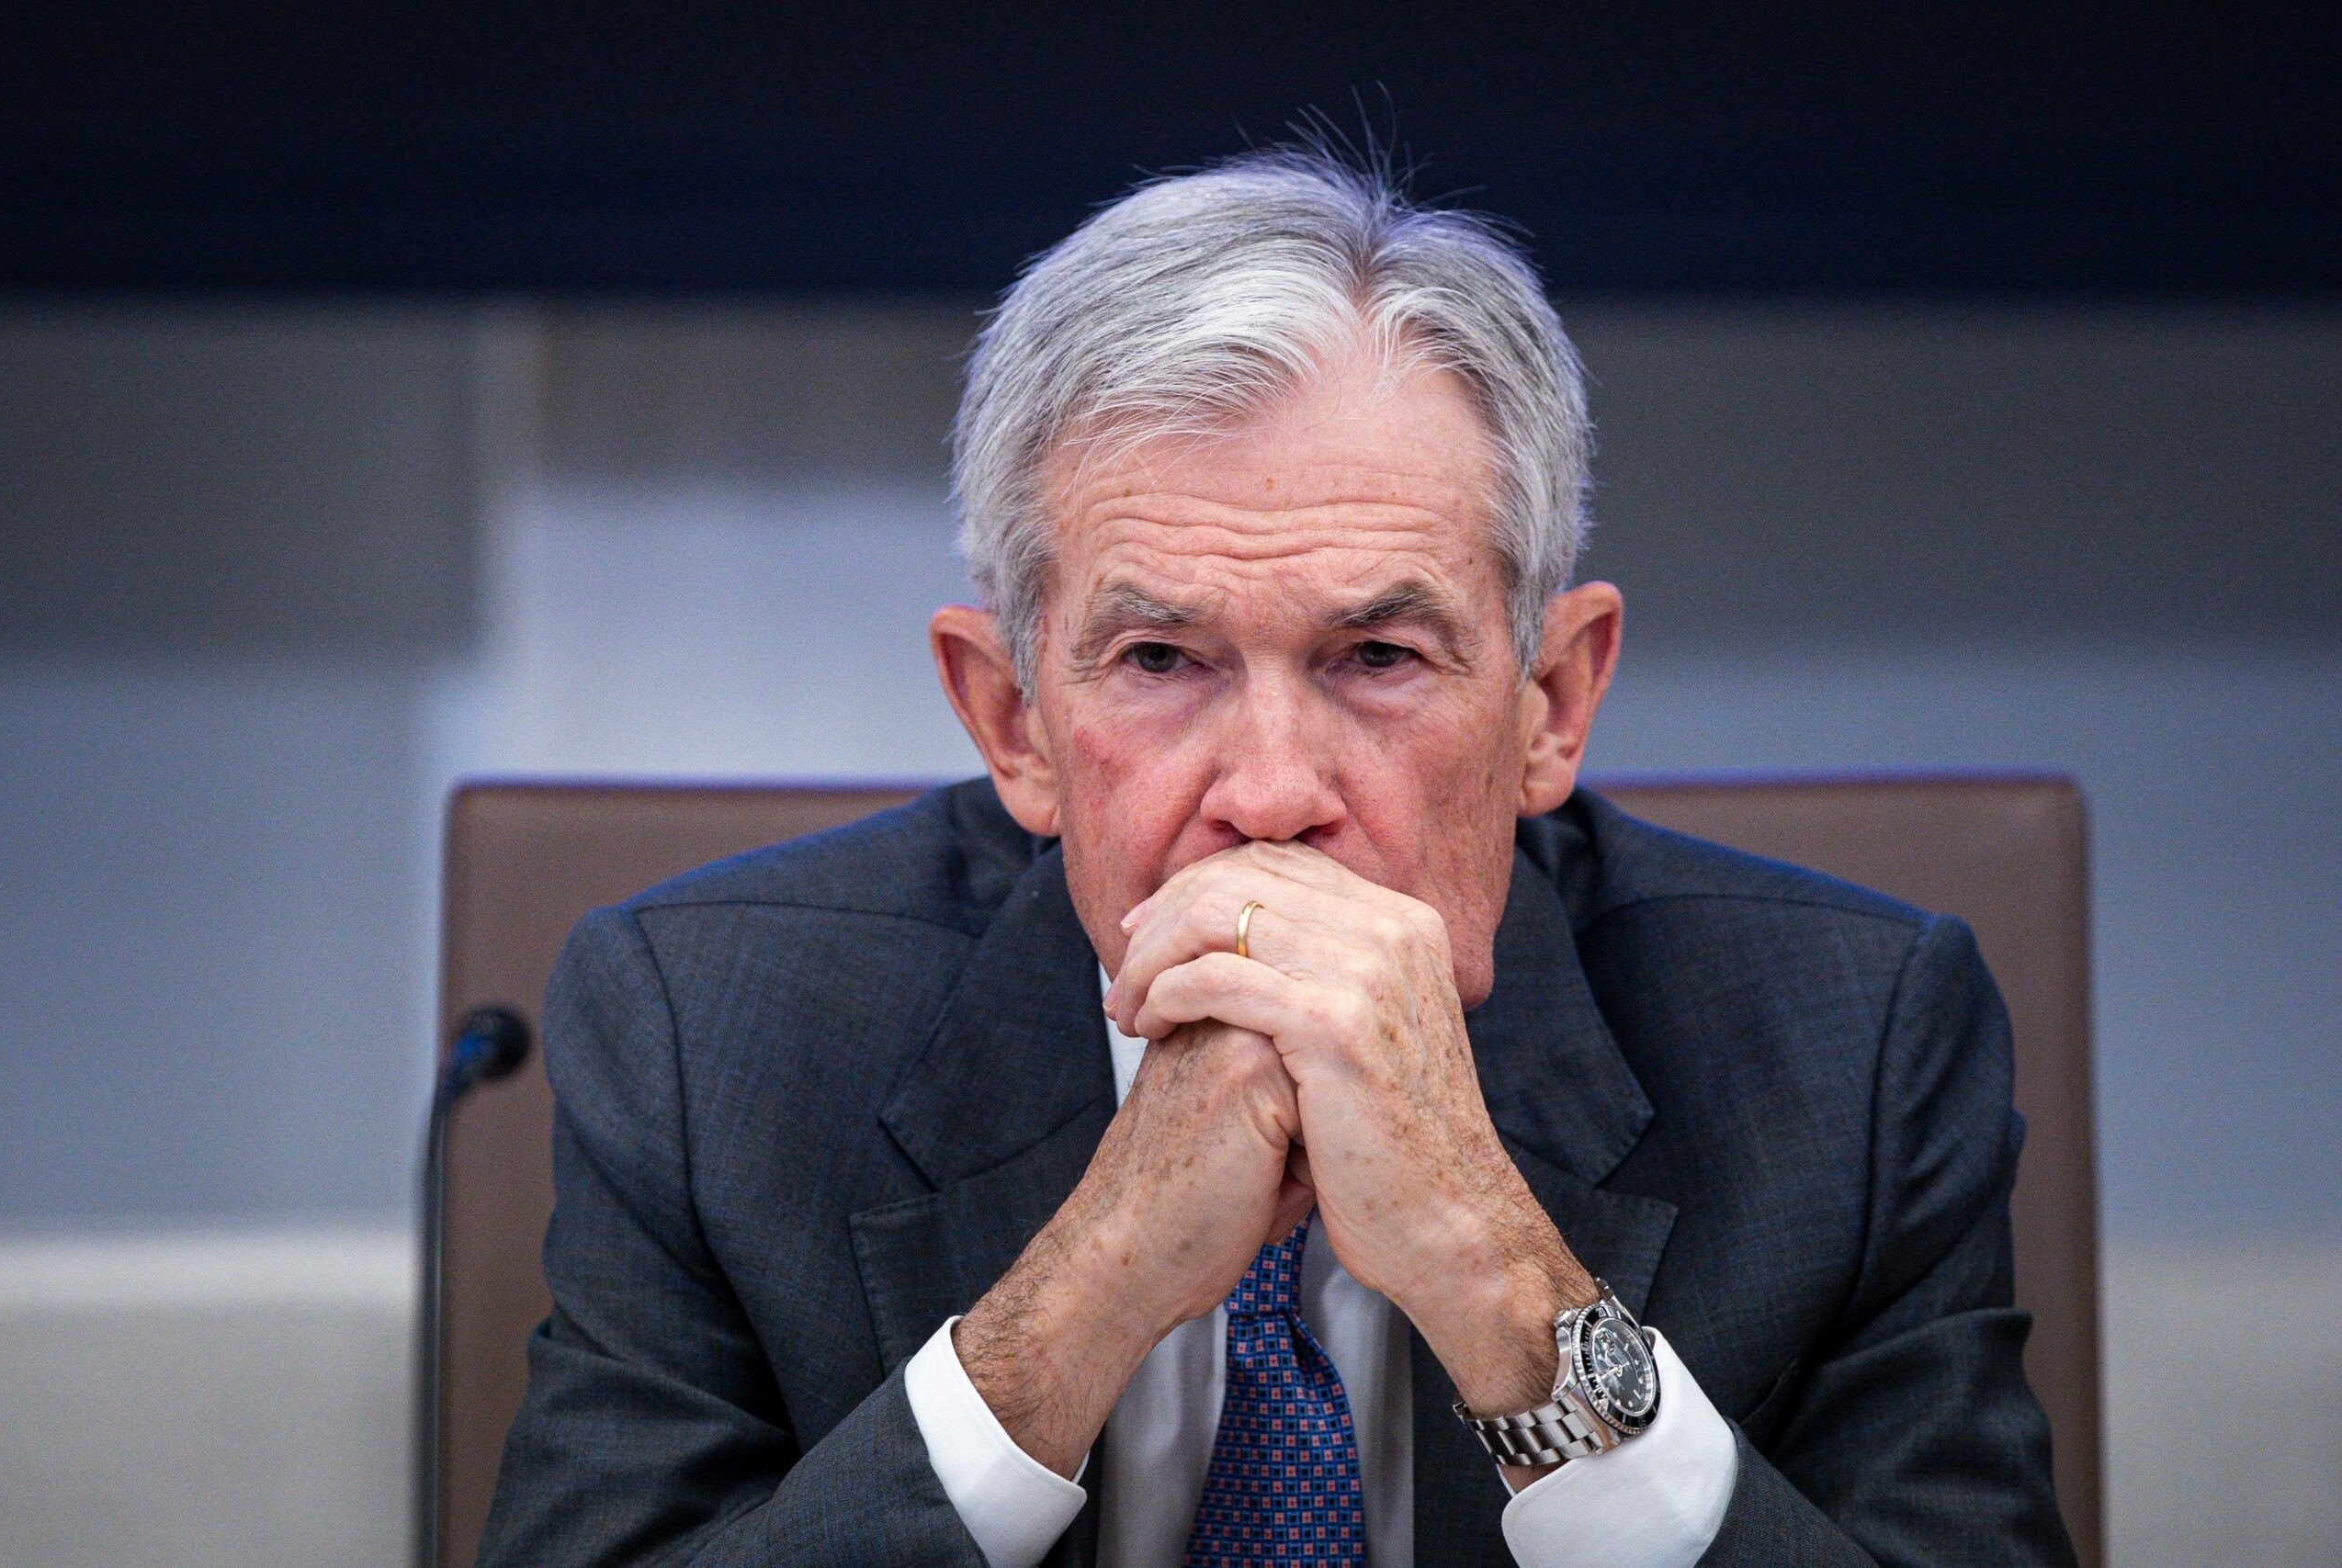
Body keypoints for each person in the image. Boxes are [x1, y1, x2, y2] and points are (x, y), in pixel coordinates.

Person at [478, 149, 2075, 1567]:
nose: (1270, 792)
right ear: (1012, 720)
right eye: (1160, 660)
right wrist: (1081, 1299)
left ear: (1552, 702)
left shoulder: (1855, 1055)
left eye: (1378, 655)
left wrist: (1507, 1287)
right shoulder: (707, 1039)